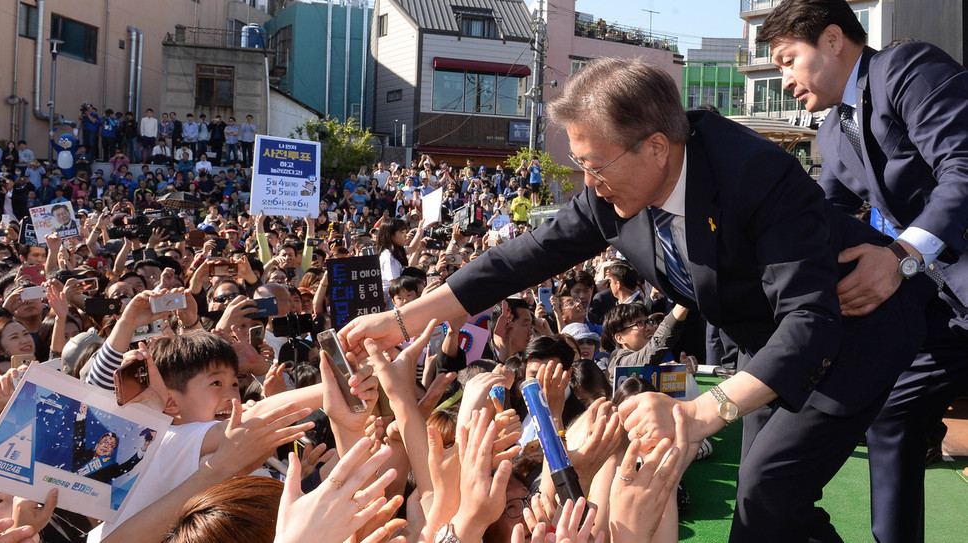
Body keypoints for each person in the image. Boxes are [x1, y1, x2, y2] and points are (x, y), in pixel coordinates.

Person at [339, 57, 938, 541]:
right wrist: (401, 318)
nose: (586, 184)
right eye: (578, 166)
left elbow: (809, 321)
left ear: (656, 146)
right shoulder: (611, 187)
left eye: (594, 167)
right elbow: (520, 258)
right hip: (770, 350)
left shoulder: (757, 174)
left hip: (854, 333)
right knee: (773, 511)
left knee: (766, 493)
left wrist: (699, 413)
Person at [758, 2, 968, 541]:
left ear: (832, 40)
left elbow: (963, 168)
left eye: (786, 60)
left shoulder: (908, 69)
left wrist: (901, 256)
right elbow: (813, 218)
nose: (783, 82)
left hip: (945, 282)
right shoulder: (831, 134)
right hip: (943, 311)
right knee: (890, 410)